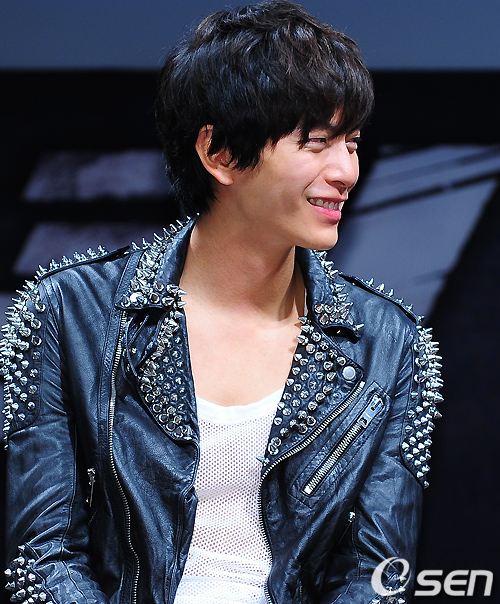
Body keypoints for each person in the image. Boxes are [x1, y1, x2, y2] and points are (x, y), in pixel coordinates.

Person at [1, 1, 443, 602]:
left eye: (353, 143)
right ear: (220, 153)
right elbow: (42, 557)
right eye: (317, 143)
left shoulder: (389, 344)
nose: (346, 171)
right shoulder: (66, 313)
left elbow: (375, 576)